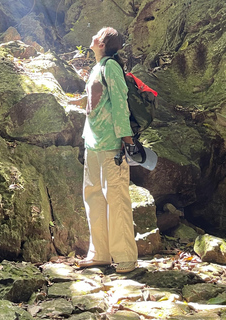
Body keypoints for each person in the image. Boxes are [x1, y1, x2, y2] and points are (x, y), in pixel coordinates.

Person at [79, 27, 138, 273]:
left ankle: (125, 256)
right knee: (93, 197)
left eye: (97, 35)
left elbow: (120, 103)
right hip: (92, 143)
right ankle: (99, 253)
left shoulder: (111, 66)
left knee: (116, 198)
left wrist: (127, 140)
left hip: (112, 144)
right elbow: (97, 102)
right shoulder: (97, 67)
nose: (92, 36)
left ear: (102, 43)